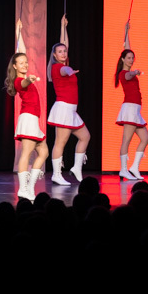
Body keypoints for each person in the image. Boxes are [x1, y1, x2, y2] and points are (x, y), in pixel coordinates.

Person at [5, 18, 48, 201]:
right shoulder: (18, 81)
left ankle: (29, 187)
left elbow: (21, 50)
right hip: (28, 119)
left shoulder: (23, 73)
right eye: (21, 63)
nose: (25, 64)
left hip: (33, 119)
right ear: (15, 66)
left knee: (43, 152)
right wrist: (29, 80)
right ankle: (23, 188)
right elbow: (23, 83)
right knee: (26, 154)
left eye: (25, 62)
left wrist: (19, 32)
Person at [47, 14, 90, 185]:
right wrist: (70, 71)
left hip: (71, 110)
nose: (64, 53)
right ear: (54, 55)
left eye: (65, 51)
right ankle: (56, 174)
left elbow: (64, 43)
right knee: (60, 142)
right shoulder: (58, 68)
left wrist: (63, 26)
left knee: (85, 136)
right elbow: (65, 71)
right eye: (60, 52)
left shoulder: (63, 63)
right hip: (63, 109)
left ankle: (76, 168)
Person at [115, 21, 148, 180]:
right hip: (129, 110)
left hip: (135, 111)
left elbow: (127, 48)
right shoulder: (124, 74)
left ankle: (134, 167)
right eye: (128, 58)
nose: (131, 60)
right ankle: (123, 169)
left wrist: (126, 31)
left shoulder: (127, 67)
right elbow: (129, 75)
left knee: (145, 138)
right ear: (123, 59)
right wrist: (134, 72)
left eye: (132, 58)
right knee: (126, 140)